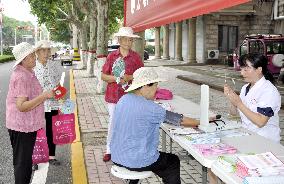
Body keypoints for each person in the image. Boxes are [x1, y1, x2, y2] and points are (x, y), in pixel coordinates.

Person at [110, 67, 200, 184]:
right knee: (172, 161)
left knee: (136, 150)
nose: (156, 90)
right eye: (155, 86)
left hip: (117, 156)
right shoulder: (151, 108)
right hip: (135, 160)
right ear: (146, 86)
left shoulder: (123, 99)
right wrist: (201, 121)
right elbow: (180, 120)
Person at [6, 42, 54, 184]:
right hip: (22, 126)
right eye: (32, 55)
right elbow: (21, 106)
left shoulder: (27, 72)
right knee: (23, 164)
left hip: (25, 125)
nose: (34, 58)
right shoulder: (22, 77)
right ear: (24, 59)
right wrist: (44, 96)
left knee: (24, 162)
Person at [101, 27, 144, 162]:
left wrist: (129, 77)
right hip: (113, 96)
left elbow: (142, 76)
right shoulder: (112, 56)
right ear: (119, 40)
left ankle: (126, 149)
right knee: (114, 122)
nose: (127, 42)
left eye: (130, 39)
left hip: (130, 96)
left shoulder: (136, 57)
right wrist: (117, 78)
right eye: (125, 39)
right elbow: (103, 76)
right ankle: (109, 149)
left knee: (129, 123)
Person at [224, 53, 281, 143]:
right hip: (248, 136)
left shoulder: (268, 91)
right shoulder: (245, 88)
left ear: (259, 70)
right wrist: (231, 97)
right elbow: (233, 113)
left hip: (265, 140)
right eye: (242, 69)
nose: (242, 73)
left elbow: (261, 122)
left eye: (246, 69)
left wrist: (239, 103)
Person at [34, 40, 63, 167]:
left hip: (53, 103)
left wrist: (62, 101)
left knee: (52, 130)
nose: (46, 53)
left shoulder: (54, 65)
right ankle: (35, 158)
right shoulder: (32, 67)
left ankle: (51, 156)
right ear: (37, 52)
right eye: (43, 50)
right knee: (35, 131)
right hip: (37, 104)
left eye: (48, 50)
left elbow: (58, 85)